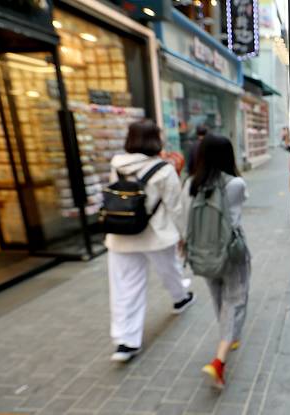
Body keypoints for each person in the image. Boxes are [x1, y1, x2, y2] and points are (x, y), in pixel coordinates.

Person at [106, 120, 195, 363]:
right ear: (155, 139)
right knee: (170, 271)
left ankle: (126, 341)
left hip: (121, 235)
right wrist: (184, 236)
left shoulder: (117, 164)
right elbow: (175, 207)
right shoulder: (164, 170)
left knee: (125, 288)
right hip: (155, 235)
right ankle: (180, 298)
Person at [180, 133, 251, 389]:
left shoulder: (190, 183)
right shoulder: (235, 184)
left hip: (202, 251)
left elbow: (184, 217)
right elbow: (240, 208)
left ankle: (228, 336)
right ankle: (219, 361)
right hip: (231, 252)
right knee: (236, 299)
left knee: (218, 297)